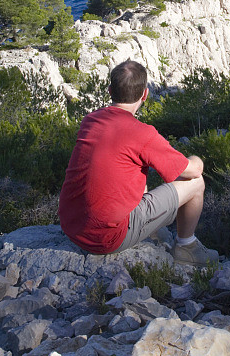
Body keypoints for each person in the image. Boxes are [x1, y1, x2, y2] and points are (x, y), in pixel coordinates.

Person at [59, 59, 218, 266]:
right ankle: (187, 247)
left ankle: (150, 232)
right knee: (197, 183)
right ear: (145, 94)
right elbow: (192, 171)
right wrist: (197, 159)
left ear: (109, 91)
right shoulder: (142, 134)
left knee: (135, 169)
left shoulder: (91, 120)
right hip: (106, 239)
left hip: (72, 227)